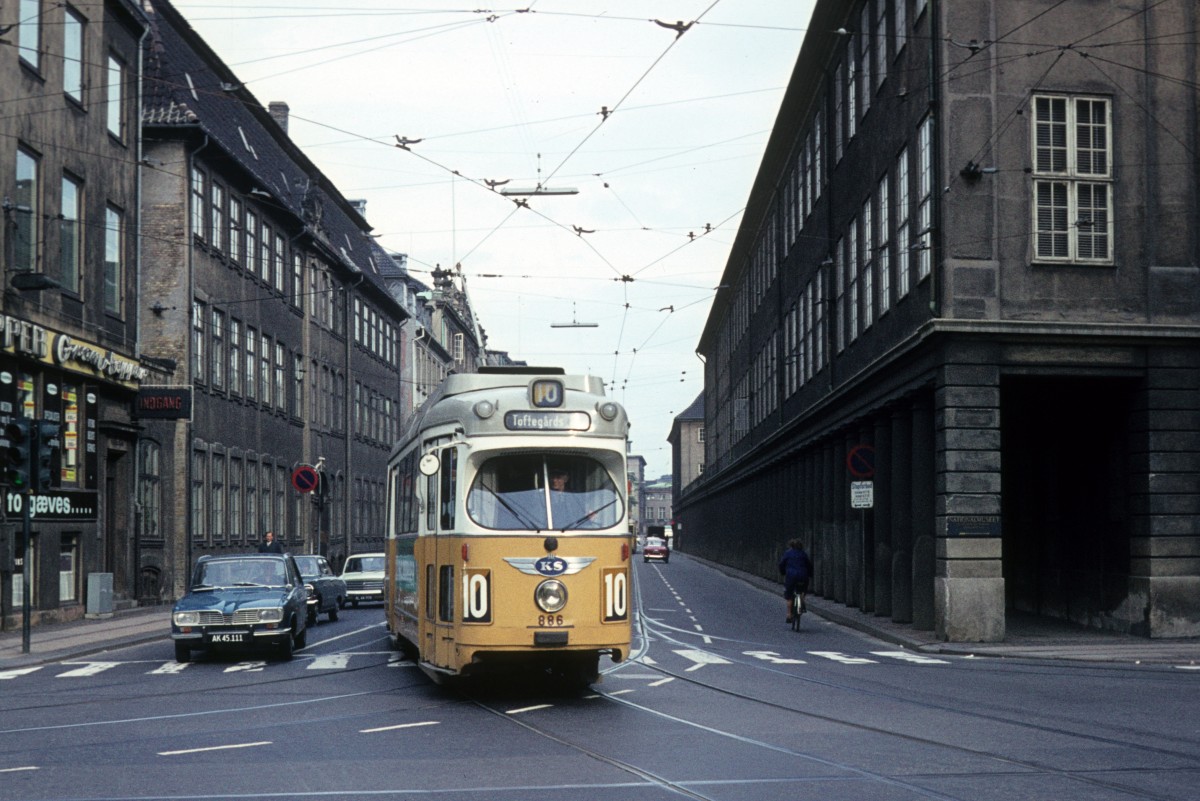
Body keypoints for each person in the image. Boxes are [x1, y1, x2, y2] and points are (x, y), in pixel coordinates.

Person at [778, 538, 813, 624]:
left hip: (791, 576)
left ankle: (789, 614)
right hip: (802, 576)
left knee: (789, 595)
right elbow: (809, 566)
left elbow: (782, 564)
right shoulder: (803, 554)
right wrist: (810, 574)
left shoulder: (788, 553)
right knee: (803, 590)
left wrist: (782, 572)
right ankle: (801, 601)